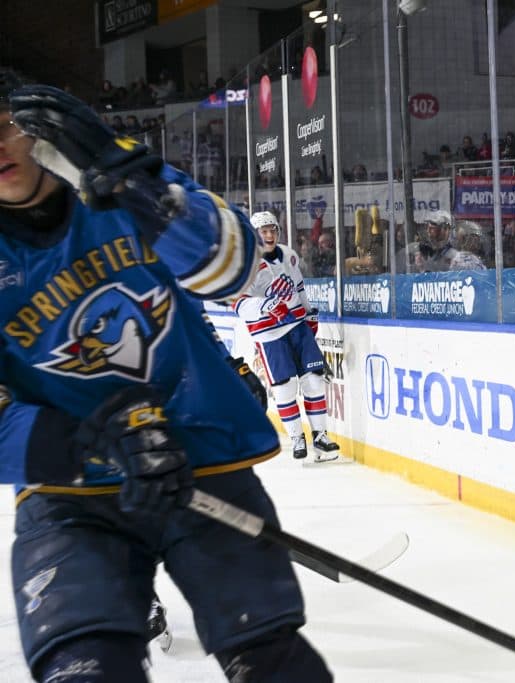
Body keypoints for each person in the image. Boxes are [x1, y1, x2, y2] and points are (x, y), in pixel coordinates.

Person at [0, 84, 332, 682]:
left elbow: (236, 269)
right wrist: (89, 443)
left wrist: (143, 190)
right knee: (85, 669)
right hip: (70, 497)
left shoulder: (118, 187)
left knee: (276, 665)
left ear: (37, 127)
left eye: (2, 126)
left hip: (201, 458)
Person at [233, 211, 344, 463]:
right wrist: (267, 305)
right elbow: (238, 304)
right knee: (284, 388)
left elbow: (299, 286)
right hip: (269, 333)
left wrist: (308, 313)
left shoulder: (290, 255)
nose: (269, 235)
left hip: (297, 326)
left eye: (273, 230)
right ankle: (296, 437)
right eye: (264, 231)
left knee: (314, 381)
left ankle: (320, 436)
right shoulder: (244, 265)